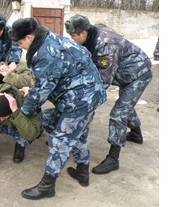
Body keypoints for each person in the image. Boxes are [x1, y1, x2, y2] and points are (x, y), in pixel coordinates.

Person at [9, 17, 107, 200]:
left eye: (21, 42)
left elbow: (42, 91)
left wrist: (24, 113)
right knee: (77, 135)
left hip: (79, 101)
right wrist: (33, 89)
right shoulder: (50, 39)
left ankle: (47, 185)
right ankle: (83, 172)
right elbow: (52, 78)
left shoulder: (45, 53)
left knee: (59, 140)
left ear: (29, 37)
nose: (21, 47)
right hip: (89, 95)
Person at [65, 14, 153, 175]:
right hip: (124, 72)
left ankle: (113, 159)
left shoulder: (105, 44)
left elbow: (103, 80)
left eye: (73, 35)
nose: (71, 39)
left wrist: (84, 101)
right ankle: (136, 134)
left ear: (83, 33)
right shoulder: (90, 40)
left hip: (138, 74)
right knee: (127, 104)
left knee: (119, 113)